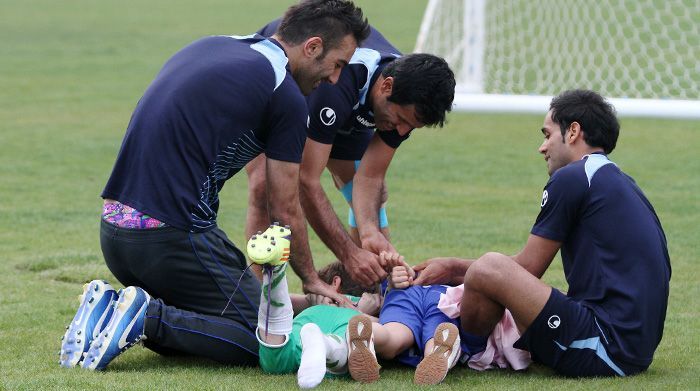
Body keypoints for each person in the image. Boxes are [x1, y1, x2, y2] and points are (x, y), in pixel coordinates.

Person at [59, 0, 371, 370]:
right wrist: (311, 279)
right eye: (337, 65)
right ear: (313, 46)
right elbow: (284, 208)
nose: (334, 80)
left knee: (206, 330)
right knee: (263, 341)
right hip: (172, 238)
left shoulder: (214, 45)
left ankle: (109, 308)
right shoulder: (285, 94)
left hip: (114, 234)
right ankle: (146, 317)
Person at [412, 90, 671, 377]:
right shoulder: (620, 181)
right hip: (633, 348)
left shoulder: (573, 177)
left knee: (489, 267)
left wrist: (451, 268)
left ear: (573, 131)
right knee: (496, 276)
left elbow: (525, 268)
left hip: (605, 345)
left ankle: (470, 351)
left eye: (547, 134)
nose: (542, 147)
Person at [246, 19, 456, 287]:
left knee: (372, 203)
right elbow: (306, 181)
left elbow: (369, 177)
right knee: (265, 186)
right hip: (291, 89)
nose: (402, 131)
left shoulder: (407, 101)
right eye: (402, 119)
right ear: (386, 87)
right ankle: (260, 298)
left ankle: (378, 292)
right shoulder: (338, 83)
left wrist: (368, 232)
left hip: (353, 111)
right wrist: (348, 254)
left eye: (411, 126)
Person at [250, 228, 381, 389]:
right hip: (345, 325)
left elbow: (283, 300)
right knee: (346, 347)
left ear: (335, 283)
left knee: (274, 360)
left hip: (299, 331)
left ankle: (274, 271)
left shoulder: (316, 303)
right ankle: (324, 344)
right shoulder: (359, 308)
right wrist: (363, 313)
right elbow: (385, 330)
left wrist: (312, 298)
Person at [345, 253, 487, 385]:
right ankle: (437, 351)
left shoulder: (389, 285)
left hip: (405, 293)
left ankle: (370, 333)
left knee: (392, 335)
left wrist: (398, 276)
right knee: (437, 332)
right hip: (442, 295)